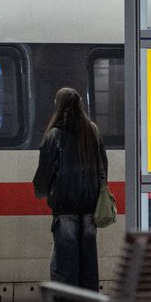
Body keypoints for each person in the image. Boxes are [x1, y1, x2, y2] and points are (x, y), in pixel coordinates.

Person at [31, 87, 110, 290]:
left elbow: (45, 172)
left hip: (65, 208)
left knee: (65, 262)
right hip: (90, 208)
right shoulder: (92, 131)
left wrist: (42, 191)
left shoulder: (55, 135)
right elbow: (103, 165)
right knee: (88, 262)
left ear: (59, 106)